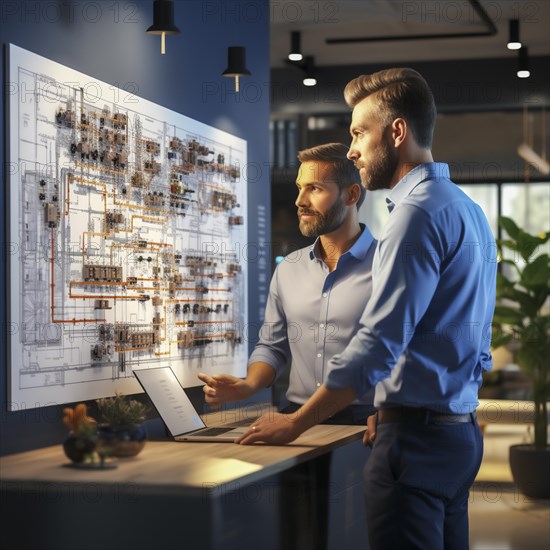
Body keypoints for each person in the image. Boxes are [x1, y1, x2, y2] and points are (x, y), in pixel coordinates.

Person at [237, 68, 497, 550]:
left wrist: (295, 422)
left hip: (413, 445)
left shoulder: (412, 215)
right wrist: (391, 401)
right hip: (458, 437)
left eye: (359, 133)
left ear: (397, 132)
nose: (351, 149)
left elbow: (377, 345)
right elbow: (474, 338)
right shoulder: (466, 208)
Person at [198, 142, 377, 425]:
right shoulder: (289, 268)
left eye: (315, 188)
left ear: (351, 195)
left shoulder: (389, 266)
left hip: (365, 422)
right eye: (299, 187)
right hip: (294, 415)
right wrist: (248, 386)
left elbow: (406, 352)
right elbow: (273, 346)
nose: (300, 200)